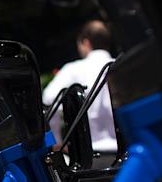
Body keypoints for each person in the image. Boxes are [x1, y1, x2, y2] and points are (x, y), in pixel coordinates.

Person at [42, 20, 117, 157]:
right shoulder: (120, 66)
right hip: (126, 154)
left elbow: (48, 101)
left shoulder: (73, 70)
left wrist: (56, 142)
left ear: (86, 42)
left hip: (89, 160)